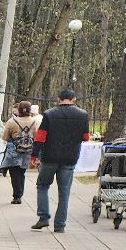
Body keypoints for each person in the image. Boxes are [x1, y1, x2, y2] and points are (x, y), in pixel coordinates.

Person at [31, 89, 91, 232]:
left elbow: (41, 137)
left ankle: (44, 217)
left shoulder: (49, 114)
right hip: (70, 158)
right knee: (64, 192)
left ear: (59, 99)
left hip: (50, 157)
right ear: (74, 99)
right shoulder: (83, 115)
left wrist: (34, 155)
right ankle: (60, 225)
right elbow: (86, 137)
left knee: (42, 185)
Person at [1, 101, 40, 205]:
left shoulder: (11, 121)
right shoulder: (34, 121)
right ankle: (19, 194)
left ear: (19, 109)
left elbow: (5, 137)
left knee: (14, 173)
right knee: (22, 172)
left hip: (14, 150)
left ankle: (17, 196)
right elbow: (36, 136)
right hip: (27, 150)